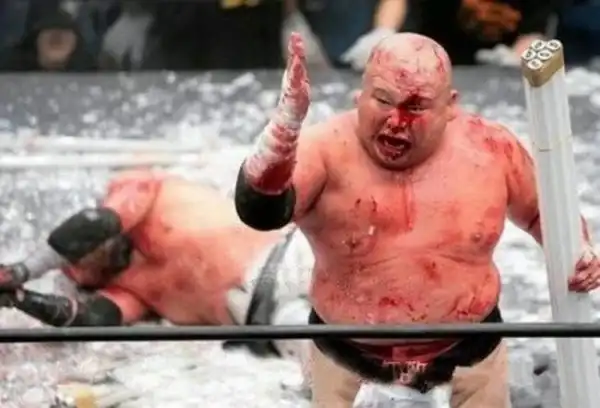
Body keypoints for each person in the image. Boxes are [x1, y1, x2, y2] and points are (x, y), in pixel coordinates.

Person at [233, 32, 600, 408]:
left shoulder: (492, 150)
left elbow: (545, 212)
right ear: (359, 95)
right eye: (382, 100)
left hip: (470, 358)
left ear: (450, 106)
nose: (396, 121)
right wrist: (279, 140)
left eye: (416, 106)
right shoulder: (324, 150)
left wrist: (578, 250)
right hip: (347, 361)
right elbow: (261, 212)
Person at [0, 169, 314, 365]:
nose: (91, 253)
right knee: (323, 352)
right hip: (264, 316)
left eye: (82, 247)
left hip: (289, 255)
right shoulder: (132, 292)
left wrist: (22, 271)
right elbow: (90, 318)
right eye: (81, 260)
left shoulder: (140, 196)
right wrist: (20, 298)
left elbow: (97, 223)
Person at [410, 0, 560, 65]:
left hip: (509, 68)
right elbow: (420, 25)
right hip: (447, 61)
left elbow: (535, 30)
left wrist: (517, 57)